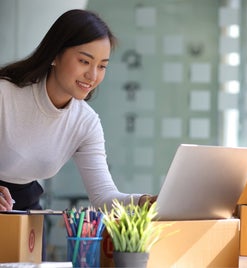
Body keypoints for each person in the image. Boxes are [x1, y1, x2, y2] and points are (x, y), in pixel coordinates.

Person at [0, 9, 157, 257]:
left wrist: (147, 202)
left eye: (102, 66)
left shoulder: (86, 123)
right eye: (84, 61)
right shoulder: (5, 95)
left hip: (24, 211)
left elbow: (104, 198)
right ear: (55, 55)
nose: (93, 76)